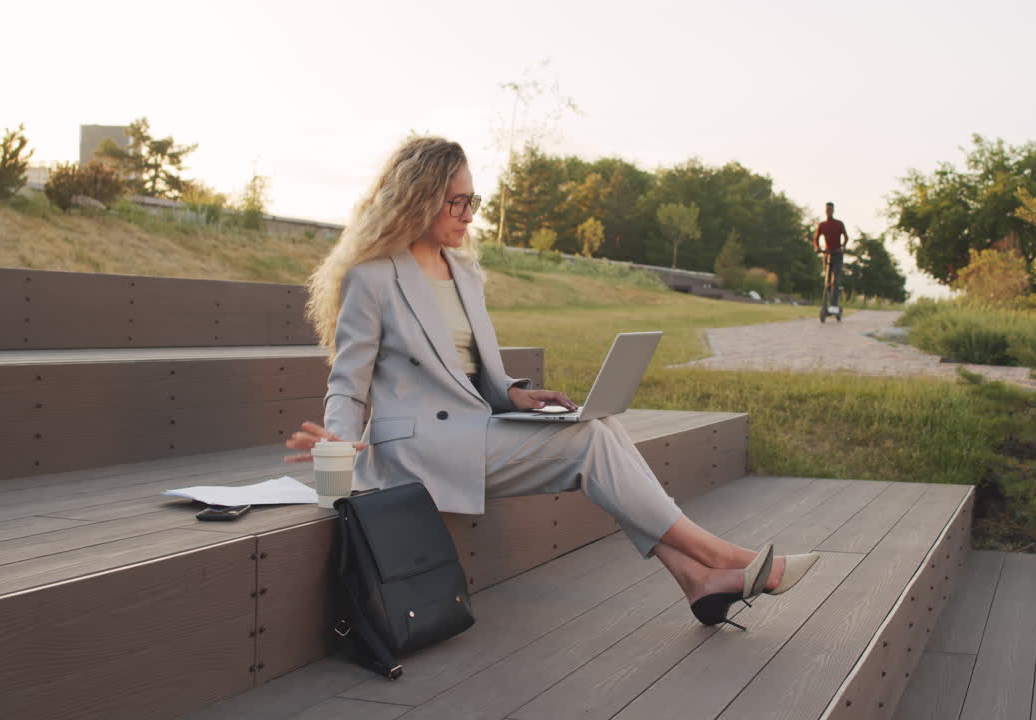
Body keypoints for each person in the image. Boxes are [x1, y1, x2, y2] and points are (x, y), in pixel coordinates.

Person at [285, 136, 818, 628]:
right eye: (457, 202)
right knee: (588, 442)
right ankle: (724, 557)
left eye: (473, 201)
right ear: (417, 199)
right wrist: (340, 448)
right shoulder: (374, 276)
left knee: (598, 427)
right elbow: (349, 381)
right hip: (417, 450)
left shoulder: (463, 270)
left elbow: (470, 369)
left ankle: (699, 580)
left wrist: (515, 393)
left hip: (473, 430)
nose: (469, 215)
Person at [813, 202, 849, 314]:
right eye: (827, 209)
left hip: (837, 254)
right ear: (825, 211)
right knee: (827, 281)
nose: (829, 211)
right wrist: (817, 248)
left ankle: (834, 305)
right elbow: (816, 239)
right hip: (827, 254)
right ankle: (826, 303)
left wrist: (842, 247)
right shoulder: (822, 225)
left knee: (835, 281)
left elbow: (846, 238)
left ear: (833, 211)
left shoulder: (839, 224)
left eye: (831, 209)